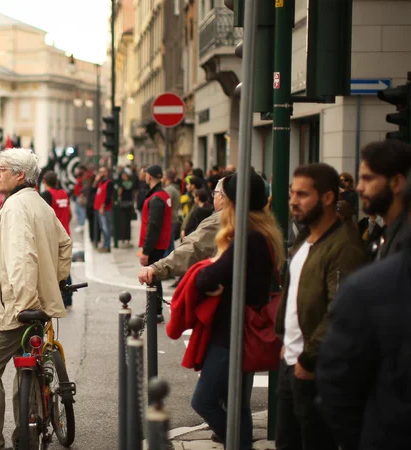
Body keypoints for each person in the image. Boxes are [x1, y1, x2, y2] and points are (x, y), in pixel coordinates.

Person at [0, 148, 72, 450]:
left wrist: (24, 302)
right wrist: (55, 283)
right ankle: (23, 438)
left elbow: (21, 257)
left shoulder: (15, 206)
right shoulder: (40, 204)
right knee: (24, 369)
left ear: (19, 175)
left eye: (2, 169)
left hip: (14, 310)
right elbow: (65, 245)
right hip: (34, 307)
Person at [274, 163, 367, 450]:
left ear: (328, 198)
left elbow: (339, 311)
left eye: (302, 195)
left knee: (314, 441)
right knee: (286, 443)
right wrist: (285, 340)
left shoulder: (344, 246)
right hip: (291, 361)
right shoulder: (305, 237)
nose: (292, 201)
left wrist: (309, 358)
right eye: (292, 193)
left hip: (315, 369)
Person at [191, 168, 283, 450]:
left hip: (233, 333)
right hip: (241, 329)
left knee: (204, 400)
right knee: (237, 404)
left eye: (225, 199)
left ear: (234, 203)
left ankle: (240, 444)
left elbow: (204, 278)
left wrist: (213, 280)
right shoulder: (263, 233)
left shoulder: (248, 238)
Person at [316, 175, 411, 449]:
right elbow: (338, 381)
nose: (359, 186)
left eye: (368, 178)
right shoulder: (369, 286)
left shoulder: (366, 286)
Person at [138, 178, 226, 285]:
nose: (214, 197)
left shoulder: (221, 219)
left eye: (215, 193)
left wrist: (156, 266)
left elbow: (194, 247)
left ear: (221, 196)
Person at [356, 140, 411, 259]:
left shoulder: (405, 241)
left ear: (396, 182)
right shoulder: (385, 231)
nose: (359, 187)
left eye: (368, 179)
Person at [138, 164, 172, 322]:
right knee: (154, 278)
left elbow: (153, 226)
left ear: (149, 177)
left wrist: (146, 251)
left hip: (155, 245)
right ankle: (154, 310)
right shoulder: (162, 195)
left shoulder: (156, 198)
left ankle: (155, 312)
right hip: (161, 243)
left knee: (152, 278)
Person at [41, 170, 74, 308]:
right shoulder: (63, 194)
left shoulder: (46, 195)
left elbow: (43, 214)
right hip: (65, 233)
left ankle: (59, 297)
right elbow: (70, 213)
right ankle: (69, 296)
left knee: (52, 267)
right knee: (64, 266)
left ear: (44, 182)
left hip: (52, 235)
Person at [93, 166, 113, 252]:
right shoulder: (100, 183)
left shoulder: (109, 183)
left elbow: (109, 196)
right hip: (97, 208)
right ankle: (104, 244)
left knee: (106, 227)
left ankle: (107, 245)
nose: (101, 174)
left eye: (103, 172)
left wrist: (102, 207)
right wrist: (96, 180)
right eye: (100, 172)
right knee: (102, 227)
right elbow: (93, 189)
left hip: (104, 209)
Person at [164, 169, 183, 256]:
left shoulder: (169, 190)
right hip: (173, 217)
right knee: (170, 244)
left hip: (170, 219)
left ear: (166, 177)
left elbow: (166, 203)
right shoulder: (174, 188)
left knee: (167, 245)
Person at [117, 169, 135, 247]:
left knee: (123, 221)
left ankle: (124, 238)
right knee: (128, 222)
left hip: (123, 204)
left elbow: (119, 193)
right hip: (129, 204)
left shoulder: (122, 184)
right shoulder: (131, 183)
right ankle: (127, 238)